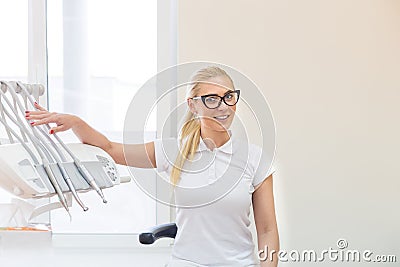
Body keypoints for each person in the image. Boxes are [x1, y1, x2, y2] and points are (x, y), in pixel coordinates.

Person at [26, 66, 279, 266]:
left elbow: (267, 230)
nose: (223, 106)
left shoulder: (255, 159)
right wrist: (76, 122)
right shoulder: (172, 151)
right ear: (193, 105)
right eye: (211, 99)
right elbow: (111, 150)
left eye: (228, 97)